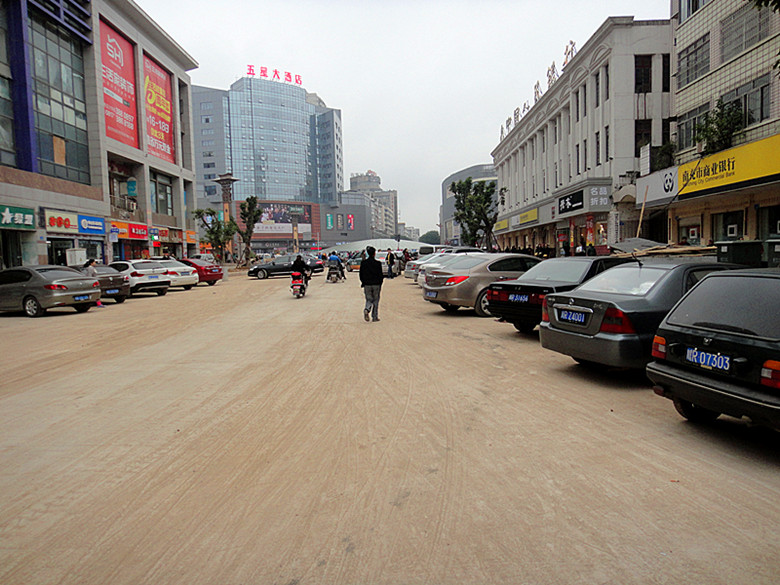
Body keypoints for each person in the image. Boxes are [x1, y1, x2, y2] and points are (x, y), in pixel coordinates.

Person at [359, 246, 383, 322]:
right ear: (374, 254)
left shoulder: (363, 263)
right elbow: (380, 275)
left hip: (367, 284)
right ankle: (375, 317)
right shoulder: (378, 263)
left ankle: (367, 309)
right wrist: (380, 283)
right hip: (376, 284)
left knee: (369, 299)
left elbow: (361, 274)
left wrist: (363, 282)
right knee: (376, 300)